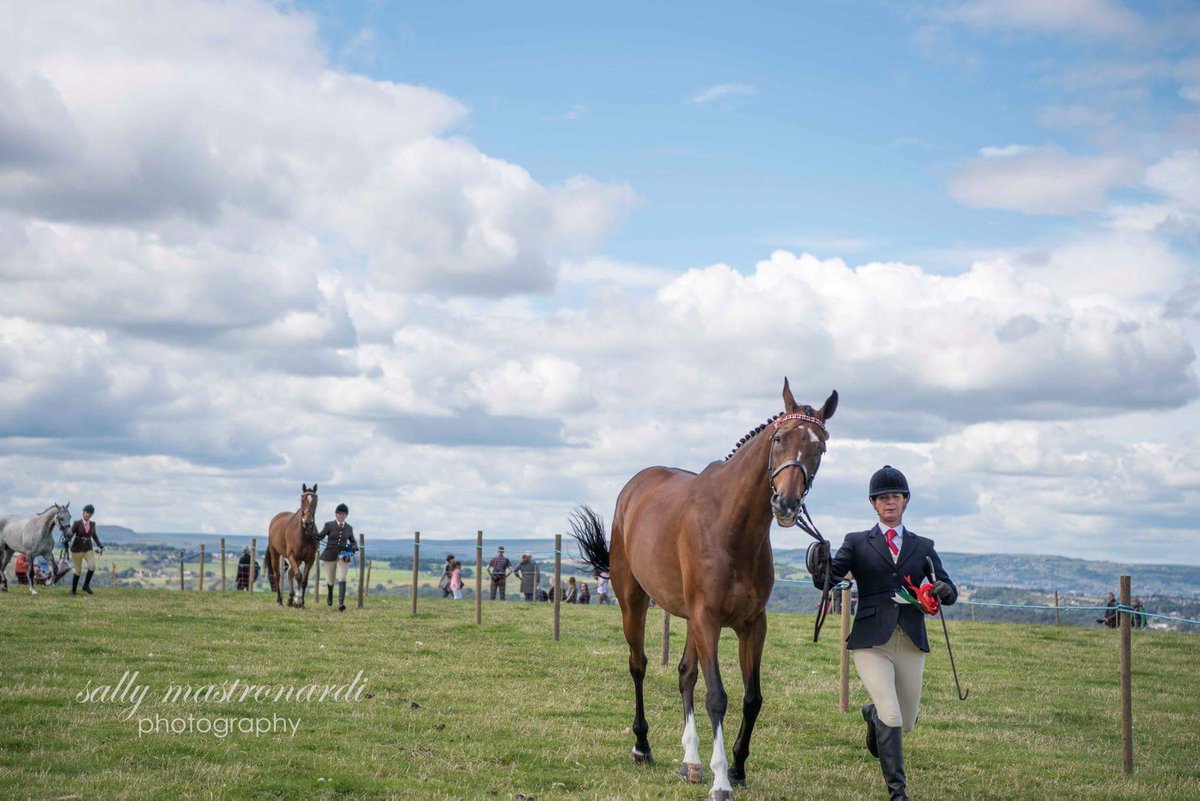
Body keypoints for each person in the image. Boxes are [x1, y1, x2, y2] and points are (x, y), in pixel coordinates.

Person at [808, 465, 956, 801]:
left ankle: (871, 714)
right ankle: (898, 793)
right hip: (870, 642)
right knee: (892, 714)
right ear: (874, 504)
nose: (889, 502)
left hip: (911, 640)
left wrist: (943, 590)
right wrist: (821, 568)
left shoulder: (923, 546)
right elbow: (831, 578)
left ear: (905, 501)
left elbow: (948, 585)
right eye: (882, 498)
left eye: (895, 496)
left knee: (905, 722)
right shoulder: (857, 542)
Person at [317, 503, 358, 611]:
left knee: (343, 577)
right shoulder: (328, 525)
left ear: (346, 515)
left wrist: (354, 546)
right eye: (339, 513)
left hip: (343, 555)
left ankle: (341, 603)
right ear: (336, 514)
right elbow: (320, 536)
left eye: (343, 514)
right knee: (331, 580)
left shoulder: (349, 528)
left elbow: (353, 541)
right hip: (329, 554)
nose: (341, 515)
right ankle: (330, 594)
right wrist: (311, 533)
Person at [70, 503, 104, 595]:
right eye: (86, 512)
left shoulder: (93, 524)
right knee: (78, 570)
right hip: (76, 550)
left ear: (91, 515)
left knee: (92, 566)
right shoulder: (76, 523)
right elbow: (71, 534)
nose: (87, 514)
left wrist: (99, 545)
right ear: (83, 512)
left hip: (88, 549)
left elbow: (94, 536)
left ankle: (86, 585)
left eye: (89, 513)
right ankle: (73, 590)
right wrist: (67, 538)